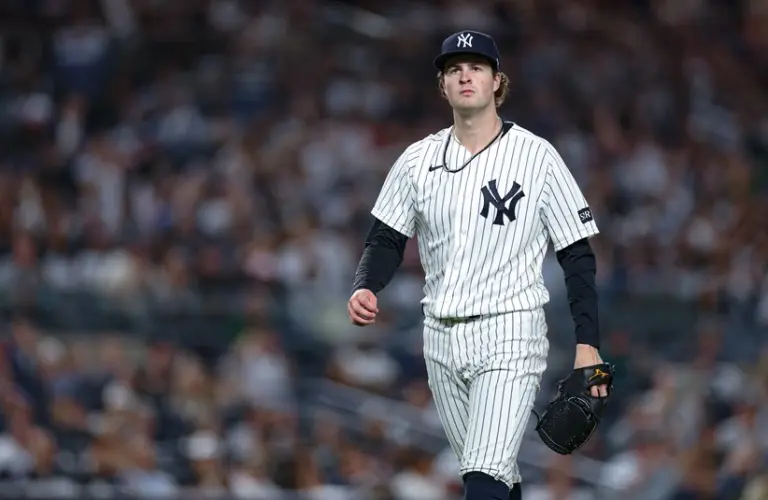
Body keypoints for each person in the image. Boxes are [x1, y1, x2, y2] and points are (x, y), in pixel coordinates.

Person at [348, 30, 608, 500]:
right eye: (453, 69)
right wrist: (366, 285)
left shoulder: (537, 156)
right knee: (494, 476)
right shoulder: (417, 160)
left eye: (476, 67)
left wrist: (588, 345)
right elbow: (386, 238)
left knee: (482, 476)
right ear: (443, 87)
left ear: (496, 82)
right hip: (440, 339)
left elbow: (577, 253)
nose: (464, 75)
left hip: (510, 333)